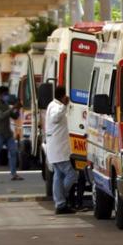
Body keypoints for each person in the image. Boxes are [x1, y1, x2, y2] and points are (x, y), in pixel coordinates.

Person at [45, 85, 78, 214]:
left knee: (58, 176)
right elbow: (55, 118)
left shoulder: (53, 105)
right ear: (63, 96)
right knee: (71, 174)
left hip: (57, 148)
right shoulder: (55, 107)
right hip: (58, 148)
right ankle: (61, 200)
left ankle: (60, 203)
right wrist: (64, 106)